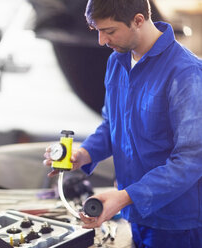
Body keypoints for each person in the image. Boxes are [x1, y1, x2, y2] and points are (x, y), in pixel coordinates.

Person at [43, 0, 202, 247]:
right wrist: (83, 154)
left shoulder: (186, 73)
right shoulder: (117, 62)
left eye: (109, 31)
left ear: (138, 20)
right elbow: (111, 125)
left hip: (176, 223)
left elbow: (191, 161)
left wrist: (126, 197)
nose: (101, 41)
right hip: (135, 213)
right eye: (97, 31)